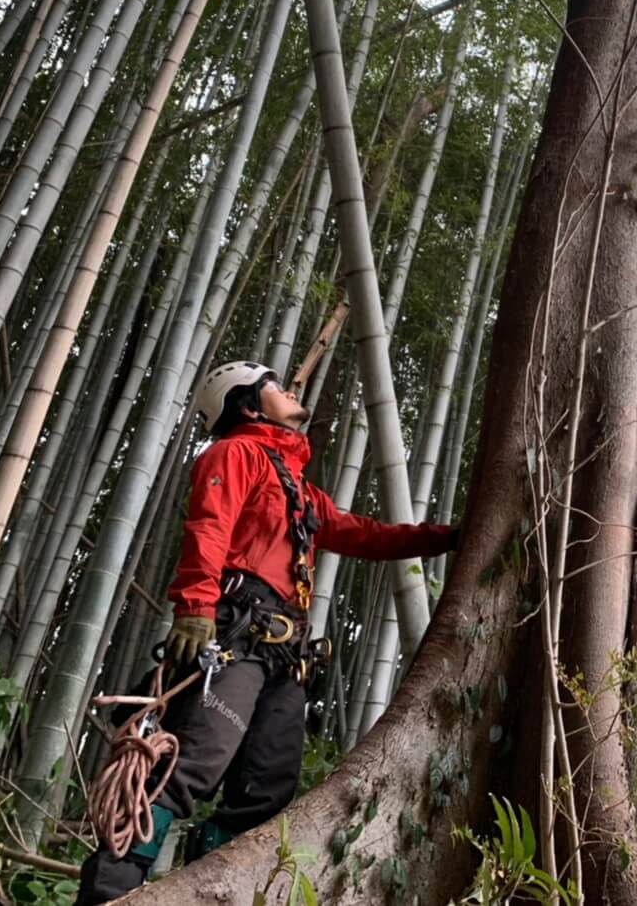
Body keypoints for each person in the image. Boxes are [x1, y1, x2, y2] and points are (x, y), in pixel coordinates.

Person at [77, 361, 457, 903]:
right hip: (235, 634)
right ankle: (108, 894)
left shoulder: (297, 486)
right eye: (276, 387)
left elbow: (362, 534)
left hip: (285, 655)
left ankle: (208, 890)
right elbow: (209, 525)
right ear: (249, 406)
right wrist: (195, 606)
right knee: (190, 767)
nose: (291, 391)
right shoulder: (236, 454)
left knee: (267, 788)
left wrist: (444, 538)